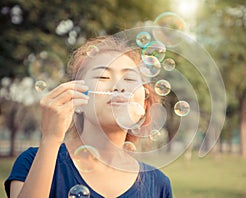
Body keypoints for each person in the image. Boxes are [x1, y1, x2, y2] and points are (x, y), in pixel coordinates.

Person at [5, 35, 173, 198]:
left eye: (129, 79)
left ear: (144, 105)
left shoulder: (159, 184)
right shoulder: (33, 162)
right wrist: (50, 139)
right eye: (103, 77)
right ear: (77, 98)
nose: (119, 87)